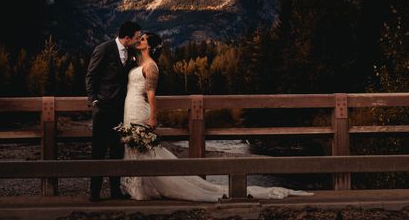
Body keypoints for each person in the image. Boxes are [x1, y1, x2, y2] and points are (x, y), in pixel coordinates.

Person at [120, 32, 314, 201]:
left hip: (140, 109)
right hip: (130, 107)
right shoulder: (139, 62)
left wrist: (153, 117)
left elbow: (152, 94)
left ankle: (150, 187)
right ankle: (139, 187)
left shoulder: (152, 66)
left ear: (150, 46)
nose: (140, 40)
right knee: (135, 147)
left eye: (143, 39)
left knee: (144, 149)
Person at [85, 20, 142, 202]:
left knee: (117, 150)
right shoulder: (104, 48)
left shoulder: (132, 52)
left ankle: (115, 192)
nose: (138, 40)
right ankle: (94, 193)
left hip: (121, 110)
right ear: (127, 38)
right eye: (136, 37)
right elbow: (91, 75)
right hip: (102, 109)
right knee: (98, 152)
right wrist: (93, 100)